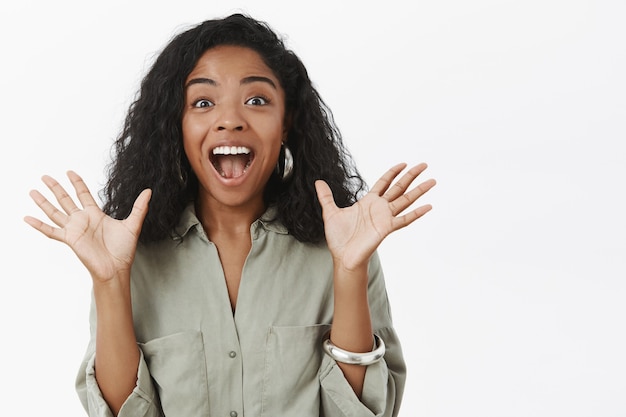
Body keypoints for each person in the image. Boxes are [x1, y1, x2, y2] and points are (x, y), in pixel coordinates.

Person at [24, 13, 436, 417]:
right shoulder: (132, 254)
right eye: (203, 102)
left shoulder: (345, 246)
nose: (230, 120)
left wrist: (348, 271)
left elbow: (362, 413)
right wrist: (110, 282)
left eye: (256, 100)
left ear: (286, 122)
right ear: (178, 125)